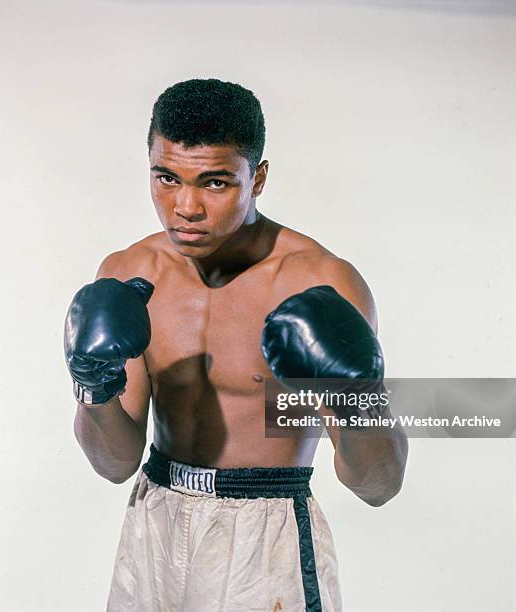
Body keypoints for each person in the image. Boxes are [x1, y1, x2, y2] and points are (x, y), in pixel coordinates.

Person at [64, 78, 408, 612]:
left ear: (259, 177)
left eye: (216, 183)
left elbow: (379, 485)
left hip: (264, 538)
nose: (186, 207)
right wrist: (92, 387)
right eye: (167, 178)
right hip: (153, 518)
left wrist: (355, 396)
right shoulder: (129, 273)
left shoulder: (319, 282)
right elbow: (114, 464)